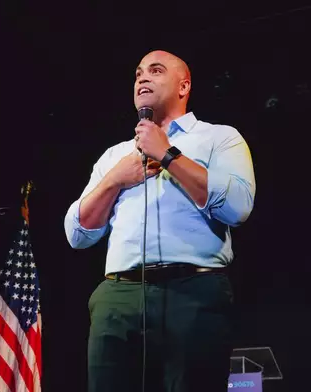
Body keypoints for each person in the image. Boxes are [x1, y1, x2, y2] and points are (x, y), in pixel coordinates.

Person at [64, 50, 256, 392]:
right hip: (118, 296)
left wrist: (167, 154)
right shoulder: (114, 156)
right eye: (138, 73)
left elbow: (239, 207)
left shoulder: (219, 138)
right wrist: (114, 180)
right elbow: (77, 234)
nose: (142, 79)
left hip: (192, 293)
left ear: (183, 86)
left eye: (155, 70)